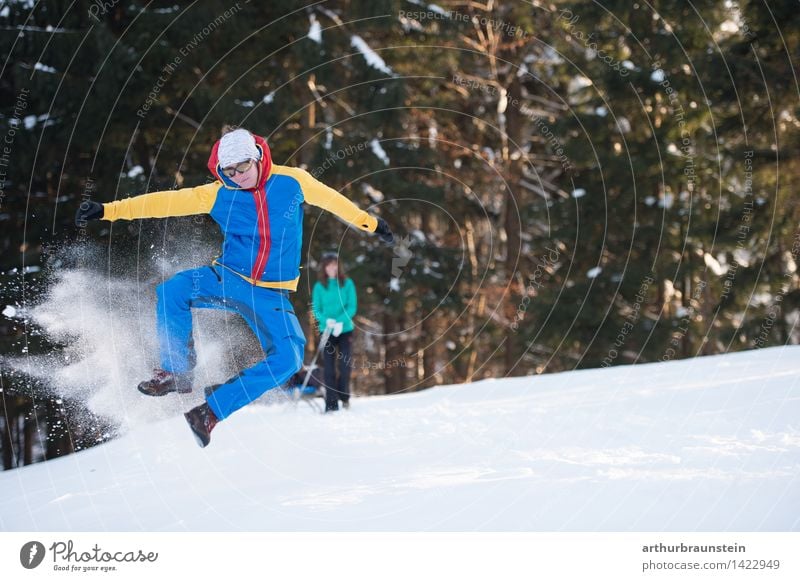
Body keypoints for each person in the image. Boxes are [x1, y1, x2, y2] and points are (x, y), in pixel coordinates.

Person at [75, 128, 394, 447]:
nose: (238, 177)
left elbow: (334, 201)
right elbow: (165, 202)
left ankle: (209, 412)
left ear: (258, 157)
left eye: (242, 168)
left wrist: (371, 224)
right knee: (173, 290)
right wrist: (108, 210)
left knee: (290, 357)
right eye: (228, 172)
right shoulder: (217, 193)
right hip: (227, 278)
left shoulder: (292, 182)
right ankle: (177, 371)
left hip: (270, 292)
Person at [312, 253, 357, 412]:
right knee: (329, 369)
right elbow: (316, 309)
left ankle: (344, 398)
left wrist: (340, 321)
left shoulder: (347, 283)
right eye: (328, 265)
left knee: (345, 366)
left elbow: (352, 307)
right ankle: (331, 404)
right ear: (324, 267)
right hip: (327, 331)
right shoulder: (319, 286)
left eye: (334, 264)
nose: (332, 268)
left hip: (345, 330)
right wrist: (326, 321)